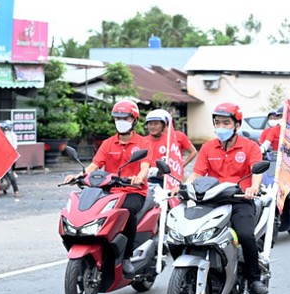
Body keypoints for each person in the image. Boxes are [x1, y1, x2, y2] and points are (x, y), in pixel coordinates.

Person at [185, 102, 268, 294]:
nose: (221, 127)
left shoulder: (250, 146)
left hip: (240, 200)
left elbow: (256, 170)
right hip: (211, 200)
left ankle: (254, 278)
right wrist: (183, 187)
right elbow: (196, 174)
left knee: (246, 236)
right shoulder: (207, 147)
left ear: (236, 125)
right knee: (189, 233)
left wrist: (253, 188)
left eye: (226, 123)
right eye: (217, 123)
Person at [64, 100, 151, 276]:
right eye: (116, 117)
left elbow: (145, 167)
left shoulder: (142, 143)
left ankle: (126, 257)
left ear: (134, 119)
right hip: (109, 191)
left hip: (133, 191)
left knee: (128, 212)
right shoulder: (108, 143)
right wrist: (79, 176)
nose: (120, 121)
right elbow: (94, 165)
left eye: (124, 117)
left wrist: (138, 178)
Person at [144, 109, 197, 184]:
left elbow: (193, 152)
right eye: (150, 124)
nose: (153, 127)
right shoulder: (143, 141)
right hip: (150, 177)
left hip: (170, 178)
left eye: (156, 124)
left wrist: (181, 165)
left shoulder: (175, 137)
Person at [0, 120, 21, 197]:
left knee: (10, 173)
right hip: (0, 156)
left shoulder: (12, 135)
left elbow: (14, 147)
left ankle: (16, 190)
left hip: (9, 156)